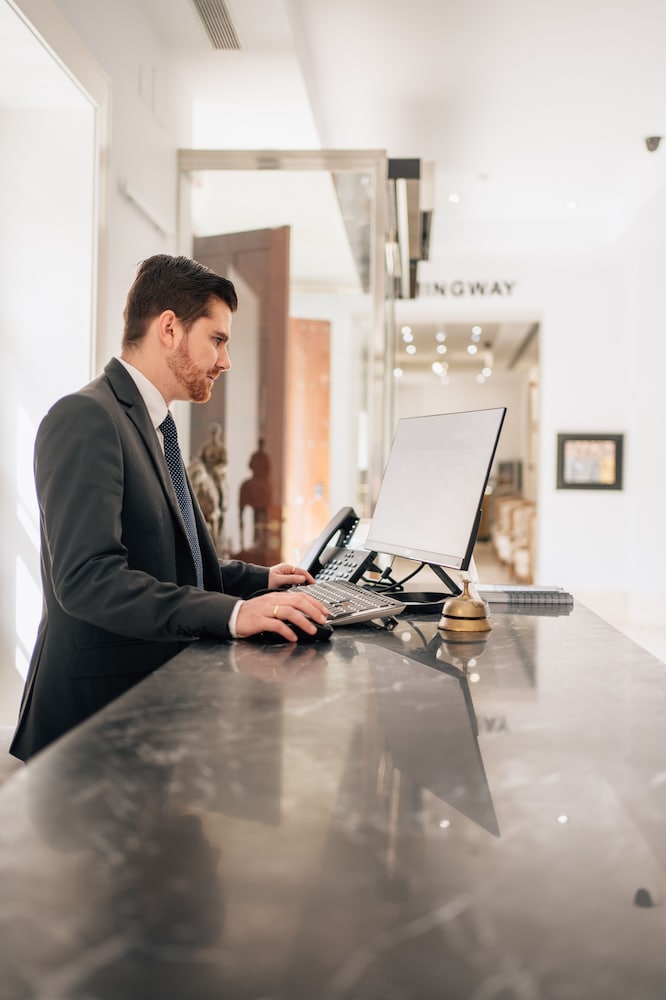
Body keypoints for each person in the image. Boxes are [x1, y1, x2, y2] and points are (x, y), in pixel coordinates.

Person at [10, 254, 327, 762]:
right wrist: (235, 614)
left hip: (145, 713)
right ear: (170, 328)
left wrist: (261, 581)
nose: (225, 362)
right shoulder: (87, 417)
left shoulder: (154, 426)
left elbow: (170, 563)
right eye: (218, 340)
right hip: (91, 727)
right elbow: (89, 579)